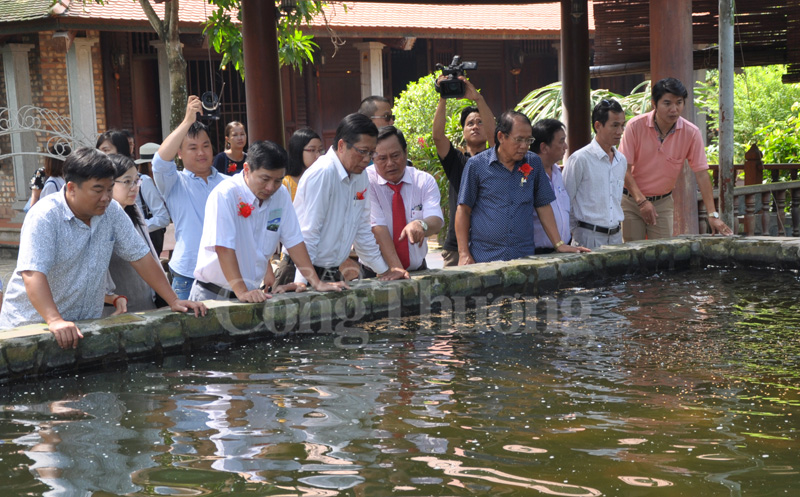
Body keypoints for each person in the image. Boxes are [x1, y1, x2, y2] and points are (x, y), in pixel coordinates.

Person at [0, 147, 206, 348]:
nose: (106, 197)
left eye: (109, 189)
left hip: (81, 328)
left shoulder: (112, 212)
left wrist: (173, 300)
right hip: (30, 328)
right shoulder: (45, 216)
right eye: (98, 189)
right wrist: (54, 319)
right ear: (71, 188)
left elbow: (141, 257)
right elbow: (33, 273)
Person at [191, 140, 348, 302]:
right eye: (264, 179)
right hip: (214, 293)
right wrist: (242, 292)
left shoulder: (280, 194)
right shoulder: (225, 195)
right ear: (247, 169)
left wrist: (316, 282)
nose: (270, 187)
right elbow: (223, 248)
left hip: (251, 293)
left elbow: (294, 240)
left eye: (277, 180)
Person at [455, 111, 590, 264]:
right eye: (519, 140)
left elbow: (543, 205)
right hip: (485, 257)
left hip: (523, 258)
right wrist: (464, 253)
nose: (524, 146)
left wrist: (559, 244)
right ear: (501, 137)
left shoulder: (533, 163)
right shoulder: (477, 165)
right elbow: (464, 210)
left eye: (528, 140)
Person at [289, 113, 408, 283]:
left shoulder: (360, 176)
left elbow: (362, 229)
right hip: (301, 270)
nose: (367, 159)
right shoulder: (324, 173)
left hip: (329, 272)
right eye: (362, 152)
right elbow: (309, 232)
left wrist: (384, 271)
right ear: (341, 145)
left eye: (371, 153)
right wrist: (302, 282)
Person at [619, 77, 734, 240]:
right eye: (667, 103)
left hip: (662, 203)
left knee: (662, 255)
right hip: (632, 200)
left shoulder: (691, 133)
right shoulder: (635, 126)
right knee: (632, 255)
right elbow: (624, 168)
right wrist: (642, 201)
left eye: (679, 103)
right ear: (654, 103)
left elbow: (701, 174)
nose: (674, 109)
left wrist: (712, 214)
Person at [153, 96, 226, 299]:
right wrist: (187, 121)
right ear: (180, 153)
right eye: (193, 148)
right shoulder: (174, 183)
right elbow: (159, 162)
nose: (201, 153)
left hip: (226, 273)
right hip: (187, 274)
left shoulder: (229, 183)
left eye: (206, 146)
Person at [432, 76, 496, 266]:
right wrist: (443, 96)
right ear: (463, 131)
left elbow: (494, 136)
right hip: (455, 248)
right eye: (470, 123)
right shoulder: (456, 161)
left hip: (488, 243)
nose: (475, 126)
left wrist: (478, 99)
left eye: (480, 122)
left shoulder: (495, 157)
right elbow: (437, 136)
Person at [366, 126, 443, 273]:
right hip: (376, 273)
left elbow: (436, 220)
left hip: (417, 271)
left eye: (395, 155)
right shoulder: (365, 182)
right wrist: (396, 268)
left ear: (405, 152)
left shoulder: (424, 181)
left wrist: (422, 224)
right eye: (382, 158)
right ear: (373, 158)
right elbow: (377, 228)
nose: (390, 163)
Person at [562, 100, 627, 249]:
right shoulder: (580, 159)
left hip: (616, 236)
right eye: (615, 125)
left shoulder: (621, 160)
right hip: (588, 236)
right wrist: (575, 232)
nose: (620, 131)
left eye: (622, 125)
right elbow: (566, 200)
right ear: (598, 126)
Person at [105, 154, 162, 312]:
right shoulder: (103, 218)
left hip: (147, 303)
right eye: (127, 181)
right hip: (117, 310)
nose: (134, 187)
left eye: (136, 180)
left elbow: (149, 256)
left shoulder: (133, 209)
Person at [531, 119, 571, 254]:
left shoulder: (558, 173)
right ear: (544, 147)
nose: (565, 146)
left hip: (563, 250)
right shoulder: (527, 175)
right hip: (539, 254)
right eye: (561, 141)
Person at [134, 142, 171, 255]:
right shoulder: (145, 180)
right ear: (152, 164)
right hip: (146, 237)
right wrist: (139, 228)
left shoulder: (139, 179)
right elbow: (162, 218)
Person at [284, 127, 324, 201]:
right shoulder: (285, 184)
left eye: (320, 150)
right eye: (312, 150)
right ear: (298, 151)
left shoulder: (322, 179)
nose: (318, 156)